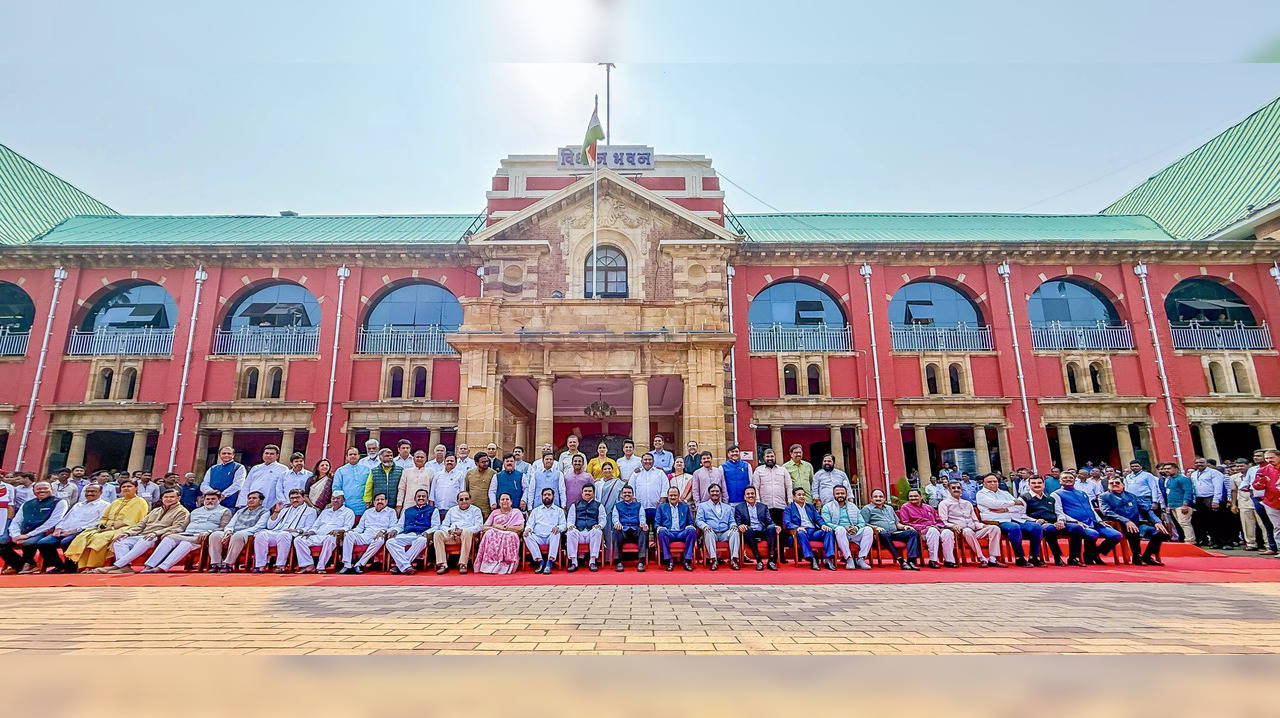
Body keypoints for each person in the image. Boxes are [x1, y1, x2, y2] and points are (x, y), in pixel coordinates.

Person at [96, 488, 190, 574]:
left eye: (172, 497)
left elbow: (177, 527)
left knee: (144, 540)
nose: (169, 499)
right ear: (162, 498)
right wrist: (127, 533)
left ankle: (117, 565)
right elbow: (141, 525)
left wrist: (156, 533)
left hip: (158, 537)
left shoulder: (182, 511)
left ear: (178, 498)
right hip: (143, 534)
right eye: (166, 497)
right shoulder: (156, 510)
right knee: (120, 541)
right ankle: (125, 567)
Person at [64, 479, 151, 570]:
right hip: (107, 528)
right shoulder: (116, 501)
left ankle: (94, 566)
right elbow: (104, 517)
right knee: (84, 536)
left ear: (136, 488)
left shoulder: (140, 501)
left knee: (99, 539)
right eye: (123, 487)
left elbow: (130, 521)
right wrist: (101, 525)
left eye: (129, 486)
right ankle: (83, 566)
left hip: (126, 528)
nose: (126, 488)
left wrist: (111, 528)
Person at [140, 490, 230, 573]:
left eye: (213, 499)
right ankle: (149, 566)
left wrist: (209, 532)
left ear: (219, 499)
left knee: (185, 544)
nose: (210, 501)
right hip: (186, 534)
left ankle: (162, 568)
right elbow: (182, 527)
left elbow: (223, 528)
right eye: (208, 499)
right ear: (204, 500)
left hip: (201, 537)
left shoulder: (225, 511)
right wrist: (171, 531)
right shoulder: (195, 511)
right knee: (168, 538)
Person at [34, 484, 108, 573]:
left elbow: (98, 523)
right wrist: (58, 528)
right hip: (64, 531)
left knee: (65, 542)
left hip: (82, 532)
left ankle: (70, 568)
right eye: (87, 491)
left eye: (93, 491)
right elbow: (65, 518)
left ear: (100, 492)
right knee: (43, 543)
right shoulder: (78, 505)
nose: (89, 493)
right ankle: (59, 566)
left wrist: (75, 530)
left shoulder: (105, 505)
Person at [1050, 471, 1121, 565]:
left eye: (1070, 478)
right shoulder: (1056, 494)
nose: (1068, 479)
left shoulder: (1082, 493)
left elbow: (1091, 508)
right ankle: (1088, 557)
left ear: (1075, 480)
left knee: (1116, 535)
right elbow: (1059, 512)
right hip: (1077, 524)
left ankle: (1094, 554)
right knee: (1093, 534)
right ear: (1060, 481)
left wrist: (1100, 520)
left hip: (1093, 522)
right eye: (1065, 478)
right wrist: (1075, 522)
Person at [976, 472, 1042, 566]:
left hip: (1014, 517)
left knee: (1036, 527)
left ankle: (1033, 557)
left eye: (995, 481)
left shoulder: (1004, 493)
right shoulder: (981, 494)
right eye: (989, 482)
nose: (993, 483)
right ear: (984, 483)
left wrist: (1005, 508)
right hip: (997, 520)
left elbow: (1020, 506)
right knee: (1014, 527)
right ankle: (1020, 557)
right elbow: (994, 504)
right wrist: (1013, 503)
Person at [1099, 476, 1169, 565]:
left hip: (1136, 523)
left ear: (1123, 485)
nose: (1114, 484)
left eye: (1117, 482)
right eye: (1111, 483)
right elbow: (1107, 512)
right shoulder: (1104, 496)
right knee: (1133, 530)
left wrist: (1157, 521)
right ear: (1108, 485)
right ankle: (1137, 556)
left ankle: (1147, 556)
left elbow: (1146, 509)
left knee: (1161, 533)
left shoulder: (1131, 496)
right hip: (1119, 524)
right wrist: (1126, 521)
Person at [0, 481, 67, 574]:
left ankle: (29, 564)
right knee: (1, 542)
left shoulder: (60, 502)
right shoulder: (27, 504)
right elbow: (16, 521)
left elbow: (52, 522)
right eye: (39, 489)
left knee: (29, 542)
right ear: (33, 491)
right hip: (24, 532)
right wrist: (15, 535)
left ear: (52, 489)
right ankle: (19, 565)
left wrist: (28, 535)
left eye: (45, 488)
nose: (42, 491)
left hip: (44, 532)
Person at [938, 480, 1004, 567]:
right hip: (960, 532)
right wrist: (953, 525)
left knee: (995, 528)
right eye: (953, 488)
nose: (956, 489)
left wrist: (984, 526)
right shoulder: (944, 503)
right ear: (949, 490)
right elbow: (943, 522)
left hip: (974, 530)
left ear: (961, 490)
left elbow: (975, 521)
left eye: (958, 488)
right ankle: (982, 558)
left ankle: (993, 558)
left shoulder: (967, 503)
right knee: (968, 531)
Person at [293, 490, 356, 574]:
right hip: (318, 535)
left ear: (343, 500)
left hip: (334, 537)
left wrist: (339, 530)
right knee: (298, 540)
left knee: (330, 539)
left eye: (338, 498)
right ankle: (308, 565)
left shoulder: (348, 512)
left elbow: (348, 527)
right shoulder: (325, 512)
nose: (335, 500)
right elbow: (315, 525)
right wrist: (311, 532)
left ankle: (321, 567)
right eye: (333, 498)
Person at [254, 489, 317, 572]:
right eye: (292, 498)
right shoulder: (284, 510)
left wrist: (296, 530)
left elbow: (309, 527)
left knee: (283, 535)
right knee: (260, 535)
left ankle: (280, 565)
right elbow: (270, 526)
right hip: (278, 532)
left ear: (303, 498)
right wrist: (276, 512)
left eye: (297, 497)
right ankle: (261, 565)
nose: (295, 500)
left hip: (293, 534)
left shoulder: (311, 511)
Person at [208, 491, 270, 572]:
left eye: (254, 498)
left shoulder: (265, 512)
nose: (251, 500)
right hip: (234, 532)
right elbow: (230, 524)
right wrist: (229, 531)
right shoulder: (240, 511)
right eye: (249, 498)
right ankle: (216, 564)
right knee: (215, 535)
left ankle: (228, 564)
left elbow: (258, 527)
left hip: (249, 534)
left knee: (238, 536)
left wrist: (235, 533)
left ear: (260, 501)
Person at [860, 489, 920, 570]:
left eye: (881, 496)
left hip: (894, 532)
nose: (878, 498)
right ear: (871, 499)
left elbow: (896, 523)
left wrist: (904, 527)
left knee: (912, 532)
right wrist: (875, 528)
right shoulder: (867, 509)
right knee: (884, 534)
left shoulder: (889, 508)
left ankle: (911, 561)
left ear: (884, 499)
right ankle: (901, 560)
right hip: (879, 535)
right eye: (875, 497)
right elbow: (863, 523)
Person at [339, 492, 398, 574]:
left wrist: (384, 531)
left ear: (386, 501)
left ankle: (359, 564)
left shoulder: (391, 512)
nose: (380, 501)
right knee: (349, 534)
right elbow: (360, 528)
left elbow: (393, 527)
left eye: (382, 499)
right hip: (365, 536)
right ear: (373, 502)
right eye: (377, 500)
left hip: (378, 537)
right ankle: (347, 565)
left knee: (380, 540)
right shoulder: (368, 512)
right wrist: (351, 531)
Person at [898, 488, 956, 568]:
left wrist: (939, 526)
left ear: (921, 497)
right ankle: (933, 560)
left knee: (948, 533)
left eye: (915, 496)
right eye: (911, 496)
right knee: (933, 531)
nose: (913, 498)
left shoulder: (929, 507)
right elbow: (906, 523)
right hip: (921, 532)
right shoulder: (905, 507)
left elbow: (939, 520)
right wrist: (925, 527)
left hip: (936, 528)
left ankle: (949, 560)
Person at [820, 485, 875, 570]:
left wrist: (856, 528)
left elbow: (862, 522)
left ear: (846, 494)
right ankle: (849, 559)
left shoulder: (853, 506)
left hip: (854, 532)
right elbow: (827, 523)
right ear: (834, 495)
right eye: (837, 493)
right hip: (838, 534)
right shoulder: (827, 507)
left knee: (868, 530)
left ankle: (861, 559)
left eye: (842, 493)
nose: (840, 495)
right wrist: (844, 527)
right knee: (840, 529)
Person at [385, 489, 438, 574]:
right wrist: (395, 530)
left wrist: (427, 533)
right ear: (415, 498)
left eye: (423, 496)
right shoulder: (407, 510)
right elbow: (400, 525)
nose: (421, 498)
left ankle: (399, 566)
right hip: (407, 534)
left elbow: (436, 526)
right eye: (419, 496)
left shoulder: (433, 510)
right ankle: (406, 566)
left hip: (421, 535)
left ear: (427, 499)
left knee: (422, 540)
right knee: (390, 542)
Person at [433, 491, 484, 574]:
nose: (464, 501)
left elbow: (479, 526)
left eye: (466, 499)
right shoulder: (452, 510)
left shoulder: (476, 510)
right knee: (438, 533)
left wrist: (462, 531)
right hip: (452, 535)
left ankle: (463, 564)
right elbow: (444, 525)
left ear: (470, 500)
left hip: (466, 537)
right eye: (461, 499)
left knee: (467, 532)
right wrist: (450, 530)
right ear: (457, 501)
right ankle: (443, 564)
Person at [475, 492, 525, 575]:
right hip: (496, 533)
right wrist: (496, 528)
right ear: (499, 502)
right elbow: (484, 527)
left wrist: (505, 528)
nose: (505, 501)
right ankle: (490, 564)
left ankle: (506, 565)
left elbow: (520, 528)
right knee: (488, 534)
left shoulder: (516, 512)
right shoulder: (494, 513)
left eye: (507, 499)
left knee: (511, 535)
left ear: (511, 502)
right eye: (502, 499)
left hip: (510, 534)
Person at [1020, 476, 1066, 565]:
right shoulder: (1024, 498)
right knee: (1050, 529)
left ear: (1044, 485)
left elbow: (1059, 512)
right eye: (1033, 483)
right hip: (1037, 523)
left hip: (1055, 521)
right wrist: (1034, 520)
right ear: (1029, 485)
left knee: (1076, 528)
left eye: (1039, 483)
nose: (1037, 485)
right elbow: (1020, 515)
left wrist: (1060, 520)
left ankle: (1074, 558)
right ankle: (1057, 557)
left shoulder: (1051, 497)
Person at [785, 487, 832, 570]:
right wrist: (797, 527)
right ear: (794, 497)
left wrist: (823, 525)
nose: (802, 497)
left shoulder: (810, 507)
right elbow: (787, 523)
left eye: (803, 495)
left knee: (828, 531)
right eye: (799, 495)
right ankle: (811, 558)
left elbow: (818, 518)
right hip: (801, 533)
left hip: (813, 532)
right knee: (800, 533)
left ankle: (828, 559)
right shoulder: (789, 509)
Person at [695, 483, 740, 571]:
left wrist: (733, 525)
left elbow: (731, 521)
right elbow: (698, 520)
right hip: (712, 532)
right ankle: (713, 559)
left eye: (717, 491)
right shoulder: (702, 506)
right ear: (709, 493)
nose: (715, 493)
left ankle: (733, 559)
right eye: (712, 491)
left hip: (724, 532)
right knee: (708, 532)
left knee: (735, 531)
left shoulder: (728, 507)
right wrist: (705, 526)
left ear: (720, 493)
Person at [1189, 457, 1231, 548]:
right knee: (1207, 522)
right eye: (1196, 462)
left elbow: (1218, 487)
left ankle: (1226, 542)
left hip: (1211, 498)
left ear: (1206, 463)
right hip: (1200, 499)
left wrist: (1216, 501)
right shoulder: (1194, 474)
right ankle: (1215, 542)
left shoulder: (1214, 473)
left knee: (1219, 521)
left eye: (1201, 462)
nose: (1199, 464)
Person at [523, 488, 566, 574]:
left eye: (549, 495)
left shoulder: (559, 511)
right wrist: (528, 529)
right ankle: (540, 562)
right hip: (537, 537)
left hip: (551, 537)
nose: (547, 496)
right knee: (526, 535)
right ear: (542, 497)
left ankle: (549, 563)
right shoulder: (536, 511)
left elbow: (564, 525)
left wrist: (558, 528)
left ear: (553, 496)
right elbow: (529, 524)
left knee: (556, 533)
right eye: (545, 495)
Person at [655, 486, 697, 571]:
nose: (673, 497)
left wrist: (690, 526)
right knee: (661, 531)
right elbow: (656, 523)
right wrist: (660, 528)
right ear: (668, 496)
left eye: (675, 495)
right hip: (668, 532)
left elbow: (690, 522)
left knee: (692, 530)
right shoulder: (662, 507)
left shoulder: (684, 507)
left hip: (681, 533)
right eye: (671, 495)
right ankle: (669, 560)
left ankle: (687, 560)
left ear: (678, 496)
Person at [735, 486, 777, 571]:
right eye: (748, 494)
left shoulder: (763, 506)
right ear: (744, 497)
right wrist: (741, 526)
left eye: (752, 493)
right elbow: (738, 523)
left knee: (772, 528)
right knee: (748, 529)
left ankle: (771, 560)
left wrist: (776, 526)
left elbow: (769, 521)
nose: (750, 495)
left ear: (756, 495)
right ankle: (759, 560)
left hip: (762, 530)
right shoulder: (739, 508)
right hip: (748, 532)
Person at [566, 483, 605, 572]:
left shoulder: (599, 505)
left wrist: (599, 525)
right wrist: (571, 526)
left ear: (593, 493)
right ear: (582, 493)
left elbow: (603, 519)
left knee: (597, 531)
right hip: (579, 533)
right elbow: (570, 519)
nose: (587, 493)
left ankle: (592, 561)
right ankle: (574, 562)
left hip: (591, 533)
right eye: (585, 491)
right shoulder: (575, 505)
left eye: (590, 491)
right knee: (571, 532)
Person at [1247, 450, 1279, 555]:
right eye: (1267, 458)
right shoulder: (1263, 470)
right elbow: (1256, 485)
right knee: (1277, 527)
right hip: (1271, 502)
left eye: (1272, 458)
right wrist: (1260, 482)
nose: (1269, 460)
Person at [593, 462, 627, 564]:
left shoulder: (618, 483)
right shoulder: (598, 484)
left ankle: (612, 558)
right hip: (601, 511)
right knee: (601, 535)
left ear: (612, 470)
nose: (607, 471)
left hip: (613, 511)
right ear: (602, 471)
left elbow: (620, 498)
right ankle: (601, 558)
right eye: (605, 469)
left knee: (611, 535)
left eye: (609, 469)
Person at [610, 485, 649, 572]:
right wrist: (617, 523)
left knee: (644, 530)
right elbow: (615, 517)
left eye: (629, 493)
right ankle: (618, 561)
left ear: (633, 494)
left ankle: (641, 561)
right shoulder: (617, 505)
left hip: (635, 531)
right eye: (625, 493)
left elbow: (642, 516)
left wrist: (643, 524)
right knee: (616, 531)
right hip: (623, 531)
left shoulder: (639, 505)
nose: (627, 494)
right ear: (621, 495)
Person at [751, 447, 791, 529]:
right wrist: (758, 503)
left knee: (781, 530)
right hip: (765, 506)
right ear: (764, 458)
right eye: (768, 457)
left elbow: (789, 486)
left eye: (772, 456)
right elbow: (755, 487)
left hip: (780, 505)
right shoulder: (758, 470)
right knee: (769, 530)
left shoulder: (783, 470)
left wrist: (790, 501)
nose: (770, 459)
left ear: (775, 457)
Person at [238, 445, 286, 511]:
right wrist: (243, 503)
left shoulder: (283, 469)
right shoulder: (256, 468)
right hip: (252, 504)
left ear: (277, 456)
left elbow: (283, 488)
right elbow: (246, 486)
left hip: (271, 505)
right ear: (263, 454)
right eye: (266, 453)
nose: (268, 455)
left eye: (271, 454)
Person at [1229, 459, 1263, 551]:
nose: (1240, 468)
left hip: (1257, 500)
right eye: (1238, 466)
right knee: (1247, 523)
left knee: (1262, 523)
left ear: (1249, 465)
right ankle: (1251, 543)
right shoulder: (1234, 477)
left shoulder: (1257, 473)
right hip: (1243, 501)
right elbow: (1234, 491)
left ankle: (1268, 544)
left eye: (1242, 465)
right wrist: (1233, 504)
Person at [1159, 462, 1196, 544]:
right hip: (1173, 506)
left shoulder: (1182, 479)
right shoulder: (1169, 480)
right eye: (1165, 469)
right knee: (1178, 525)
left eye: (1168, 468)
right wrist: (1168, 505)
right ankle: (1183, 540)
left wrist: (1185, 504)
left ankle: (1190, 541)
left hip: (1182, 505)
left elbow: (1188, 492)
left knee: (1184, 523)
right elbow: (1169, 493)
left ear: (1176, 469)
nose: (1166, 470)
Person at [631, 453, 668, 527]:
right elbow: (631, 488)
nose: (647, 461)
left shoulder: (660, 473)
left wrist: (661, 503)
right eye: (645, 459)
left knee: (657, 529)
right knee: (643, 531)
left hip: (656, 507)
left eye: (650, 459)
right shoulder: (636, 474)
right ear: (641, 461)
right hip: (641, 508)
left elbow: (665, 488)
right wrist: (635, 503)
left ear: (653, 461)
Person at [332, 447, 372, 517]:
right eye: (350, 454)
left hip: (364, 505)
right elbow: (336, 488)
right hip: (346, 505)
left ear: (359, 456)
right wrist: (340, 502)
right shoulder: (340, 470)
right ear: (346, 457)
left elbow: (371, 486)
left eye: (355, 454)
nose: (353, 456)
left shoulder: (367, 470)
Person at [465, 452, 496, 517]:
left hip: (487, 508)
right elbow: (467, 490)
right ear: (476, 463)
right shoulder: (470, 473)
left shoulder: (493, 473)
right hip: (472, 507)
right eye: (483, 462)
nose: (486, 463)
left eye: (487, 461)